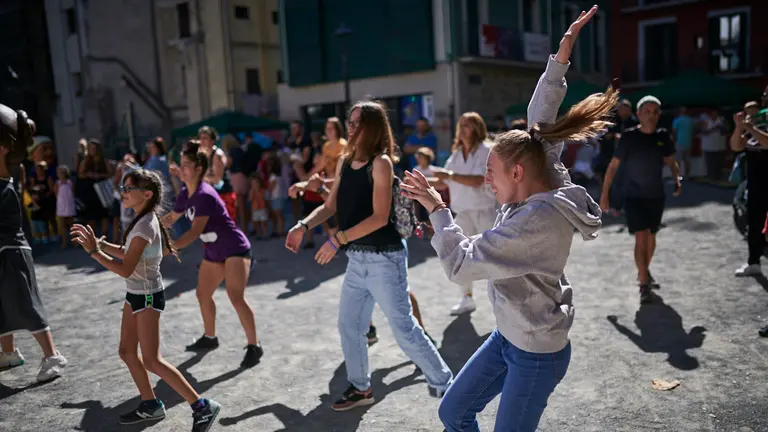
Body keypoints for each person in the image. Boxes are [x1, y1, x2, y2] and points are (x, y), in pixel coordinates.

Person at [402, 8, 604, 430]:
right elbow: (540, 123)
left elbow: (460, 266)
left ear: (516, 173)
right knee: (454, 411)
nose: (486, 182)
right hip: (509, 335)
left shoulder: (537, 221)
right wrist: (559, 59)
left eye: (490, 174)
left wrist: (438, 209)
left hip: (536, 351)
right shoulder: (539, 168)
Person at [285, 101, 453, 411]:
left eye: (356, 123)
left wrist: (337, 239)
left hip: (385, 258)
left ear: (372, 128)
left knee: (403, 329)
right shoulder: (345, 162)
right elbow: (331, 205)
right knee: (349, 326)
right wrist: (302, 225)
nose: (350, 128)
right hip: (357, 260)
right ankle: (361, 388)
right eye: (349, 122)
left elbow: (379, 217)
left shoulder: (382, 163)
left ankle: (449, 387)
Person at [69, 169, 221, 431]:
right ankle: (150, 404)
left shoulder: (145, 224)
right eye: (123, 187)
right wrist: (101, 245)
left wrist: (94, 251)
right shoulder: (142, 220)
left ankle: (202, 406)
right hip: (136, 294)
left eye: (129, 188)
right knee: (127, 352)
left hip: (147, 296)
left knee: (152, 359)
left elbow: (126, 268)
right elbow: (129, 254)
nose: (123, 192)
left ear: (147, 194)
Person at [162, 141, 263, 368]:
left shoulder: (204, 194)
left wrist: (171, 247)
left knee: (235, 295)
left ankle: (254, 346)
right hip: (214, 251)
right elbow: (171, 218)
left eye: (187, 164)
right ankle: (210, 338)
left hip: (235, 249)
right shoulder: (186, 193)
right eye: (181, 163)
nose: (181, 168)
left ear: (199, 168)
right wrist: (149, 226)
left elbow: (195, 230)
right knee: (202, 293)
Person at [0, 105, 68, 382]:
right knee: (2, 306)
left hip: (12, 253)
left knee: (26, 304)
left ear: (4, 147)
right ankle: (9, 353)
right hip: (4, 252)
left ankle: (52, 355)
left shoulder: (4, 186)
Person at [600, 95, 682, 304]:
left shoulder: (663, 136)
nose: (651, 115)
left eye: (655, 112)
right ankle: (644, 284)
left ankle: (644, 271)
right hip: (634, 195)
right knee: (641, 236)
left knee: (652, 236)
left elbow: (672, 162)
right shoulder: (629, 137)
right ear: (638, 114)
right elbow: (613, 167)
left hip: (656, 195)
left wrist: (677, 179)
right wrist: (605, 195)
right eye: (647, 111)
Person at [430, 113, 498, 315]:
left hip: (485, 211)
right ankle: (466, 298)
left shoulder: (488, 149)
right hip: (463, 213)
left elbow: (477, 180)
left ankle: (503, 298)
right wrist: (421, 184)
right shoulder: (457, 153)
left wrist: (448, 176)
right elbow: (445, 181)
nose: (463, 130)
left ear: (478, 128)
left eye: (467, 126)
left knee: (493, 257)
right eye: (461, 126)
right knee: (460, 257)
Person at [730, 85, 768, 278]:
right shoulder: (757, 122)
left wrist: (751, 128)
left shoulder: (755, 125)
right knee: (754, 222)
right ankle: (753, 262)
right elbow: (736, 146)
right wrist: (739, 126)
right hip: (756, 181)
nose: (765, 98)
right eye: (765, 95)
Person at [54, 165, 76, 249]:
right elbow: (56, 193)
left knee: (72, 224)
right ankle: (64, 242)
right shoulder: (57, 183)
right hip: (61, 206)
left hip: (69, 204)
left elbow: (73, 192)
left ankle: (75, 241)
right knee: (62, 225)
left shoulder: (70, 182)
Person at [672, 106, 695, 179]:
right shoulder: (690, 120)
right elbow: (693, 131)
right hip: (688, 142)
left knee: (677, 161)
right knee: (687, 161)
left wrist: (673, 142)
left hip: (679, 142)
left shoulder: (677, 120)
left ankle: (677, 176)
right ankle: (687, 176)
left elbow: (674, 132)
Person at [249, 172, 269, 239]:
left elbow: (262, 198)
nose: (255, 185)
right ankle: (258, 234)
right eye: (253, 183)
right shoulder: (251, 191)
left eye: (256, 183)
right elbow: (250, 199)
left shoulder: (262, 190)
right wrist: (253, 191)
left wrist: (257, 191)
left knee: (264, 222)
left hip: (262, 209)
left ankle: (265, 234)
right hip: (255, 209)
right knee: (256, 223)